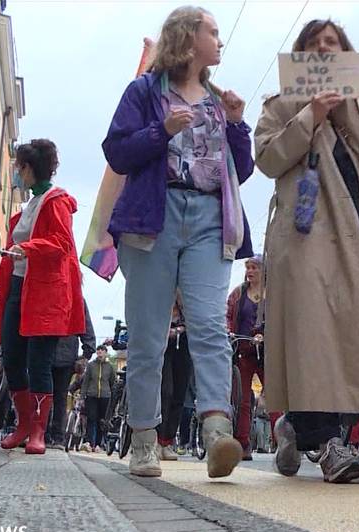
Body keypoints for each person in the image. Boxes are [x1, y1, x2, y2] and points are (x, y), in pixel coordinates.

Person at [103, 5, 255, 479]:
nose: (219, 40)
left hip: (211, 216)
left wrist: (235, 124)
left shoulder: (216, 99)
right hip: (154, 217)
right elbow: (117, 151)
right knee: (148, 336)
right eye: (212, 32)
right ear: (188, 39)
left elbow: (240, 171)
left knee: (210, 326)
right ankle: (144, 438)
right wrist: (160, 131)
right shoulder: (145, 91)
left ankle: (216, 432)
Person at [255, 18, 359, 483]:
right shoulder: (282, 105)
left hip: (355, 237)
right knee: (313, 336)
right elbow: (267, 158)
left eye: (333, 44)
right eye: (315, 44)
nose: (325, 50)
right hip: (305, 239)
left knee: (344, 336)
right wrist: (310, 116)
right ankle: (330, 444)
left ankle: (295, 426)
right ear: (302, 56)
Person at [0, 138, 85, 456]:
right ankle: (24, 425)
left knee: (39, 363)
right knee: (13, 359)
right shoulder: (30, 205)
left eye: (18, 167)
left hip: (44, 294)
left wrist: (27, 248)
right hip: (19, 287)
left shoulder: (54, 202)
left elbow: (61, 243)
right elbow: (10, 258)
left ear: (28, 169)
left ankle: (38, 431)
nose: (16, 173)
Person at [226, 255, 264, 460]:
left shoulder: (272, 294)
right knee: (242, 399)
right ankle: (242, 442)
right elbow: (228, 314)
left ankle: (284, 441)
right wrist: (229, 331)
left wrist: (265, 333)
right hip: (243, 349)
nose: (250, 271)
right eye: (248, 267)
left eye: (254, 267)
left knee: (275, 395)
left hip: (266, 351)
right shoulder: (238, 293)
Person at [47, 301, 96, 449]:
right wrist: (86, 353)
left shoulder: (76, 298)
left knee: (51, 396)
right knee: (57, 397)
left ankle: (51, 435)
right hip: (62, 353)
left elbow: (85, 324)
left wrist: (86, 355)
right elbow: (86, 327)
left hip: (59, 354)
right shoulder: (77, 297)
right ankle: (54, 436)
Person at [157, 298, 192, 460]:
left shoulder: (188, 307)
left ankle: (168, 441)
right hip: (162, 348)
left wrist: (182, 329)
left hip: (183, 348)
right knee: (166, 392)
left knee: (179, 394)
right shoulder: (159, 302)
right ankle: (158, 439)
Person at [72, 345, 116, 452]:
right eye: (98, 351)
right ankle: (89, 442)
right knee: (91, 418)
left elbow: (112, 382)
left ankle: (98, 444)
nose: (99, 352)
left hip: (105, 396)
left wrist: (112, 397)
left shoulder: (110, 367)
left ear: (105, 353)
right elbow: (86, 382)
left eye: (102, 351)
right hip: (92, 395)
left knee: (102, 421)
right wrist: (82, 396)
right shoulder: (91, 366)